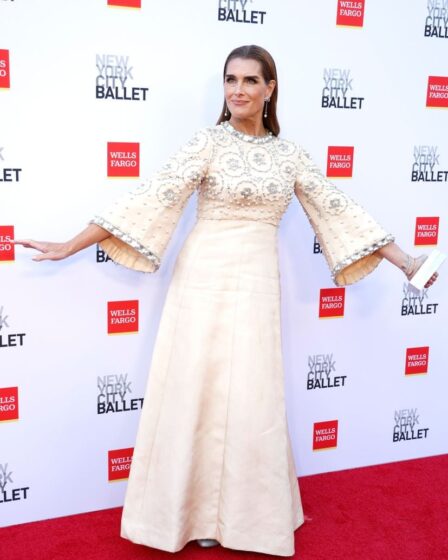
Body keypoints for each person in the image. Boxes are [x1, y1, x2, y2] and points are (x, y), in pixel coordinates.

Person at [15, 45, 438, 557]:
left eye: (250, 80)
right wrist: (68, 245)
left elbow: (337, 207)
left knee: (252, 391)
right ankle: (185, 514)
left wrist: (407, 262)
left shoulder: (289, 154)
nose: (238, 89)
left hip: (257, 277)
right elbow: (151, 195)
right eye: (230, 79)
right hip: (203, 274)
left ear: (269, 89)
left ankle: (247, 518)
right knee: (194, 382)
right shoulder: (207, 143)